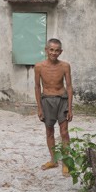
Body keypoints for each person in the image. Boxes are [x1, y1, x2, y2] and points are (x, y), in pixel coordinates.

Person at [34, 38, 73, 177]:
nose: (54, 53)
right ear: (46, 50)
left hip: (62, 100)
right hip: (47, 101)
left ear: (60, 52)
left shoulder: (65, 66)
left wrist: (70, 107)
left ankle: (65, 164)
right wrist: (39, 108)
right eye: (51, 49)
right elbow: (37, 87)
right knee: (49, 132)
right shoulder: (39, 66)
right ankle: (53, 160)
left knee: (64, 133)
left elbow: (69, 87)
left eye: (57, 50)